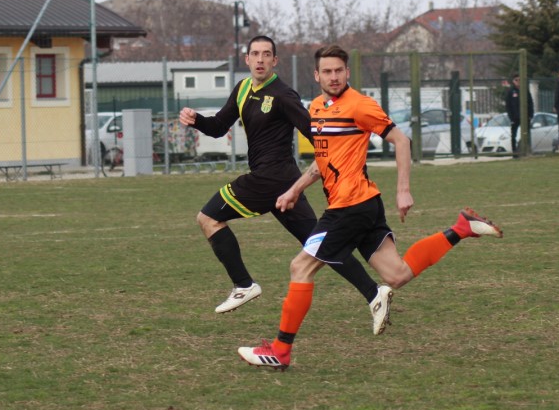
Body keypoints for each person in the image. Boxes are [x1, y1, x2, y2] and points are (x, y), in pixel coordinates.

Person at [238, 44, 503, 370]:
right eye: (328, 72)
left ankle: (280, 350)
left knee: (300, 267)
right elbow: (323, 162)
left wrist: (403, 190)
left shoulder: (360, 106)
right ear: (316, 75)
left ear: (347, 73)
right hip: (363, 205)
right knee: (397, 274)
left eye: (339, 71)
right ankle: (461, 228)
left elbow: (401, 141)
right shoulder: (318, 108)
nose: (334, 77)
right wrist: (294, 189)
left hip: (350, 207)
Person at [179, 36, 393, 335]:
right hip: (285, 184)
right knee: (319, 246)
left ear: (275, 61)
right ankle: (375, 295)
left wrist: (343, 158)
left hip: (270, 179)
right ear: (247, 59)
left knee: (208, 217)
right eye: (255, 54)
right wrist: (196, 119)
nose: (260, 59)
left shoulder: (282, 94)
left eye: (267, 54)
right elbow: (217, 127)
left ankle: (243, 284)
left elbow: (315, 130)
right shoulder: (242, 89)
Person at [505, 74, 534, 157]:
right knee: (513, 135)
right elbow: (508, 106)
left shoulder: (525, 90)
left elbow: (530, 102)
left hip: (525, 117)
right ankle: (515, 153)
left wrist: (530, 115)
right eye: (516, 80)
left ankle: (526, 150)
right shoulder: (511, 91)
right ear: (513, 81)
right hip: (515, 117)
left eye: (519, 80)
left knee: (526, 134)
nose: (518, 82)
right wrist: (511, 118)